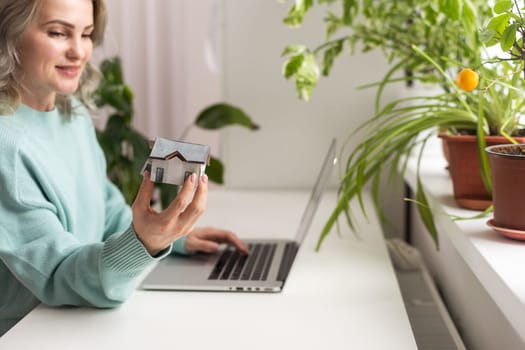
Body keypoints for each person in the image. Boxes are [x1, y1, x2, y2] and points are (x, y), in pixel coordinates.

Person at [0, 0, 249, 336]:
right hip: (30, 332)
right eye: (58, 33)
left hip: (76, 323)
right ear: (8, 32)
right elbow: (60, 274)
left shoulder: (69, 112)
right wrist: (143, 242)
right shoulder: (7, 146)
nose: (79, 51)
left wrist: (171, 238)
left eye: (87, 34)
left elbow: (104, 210)